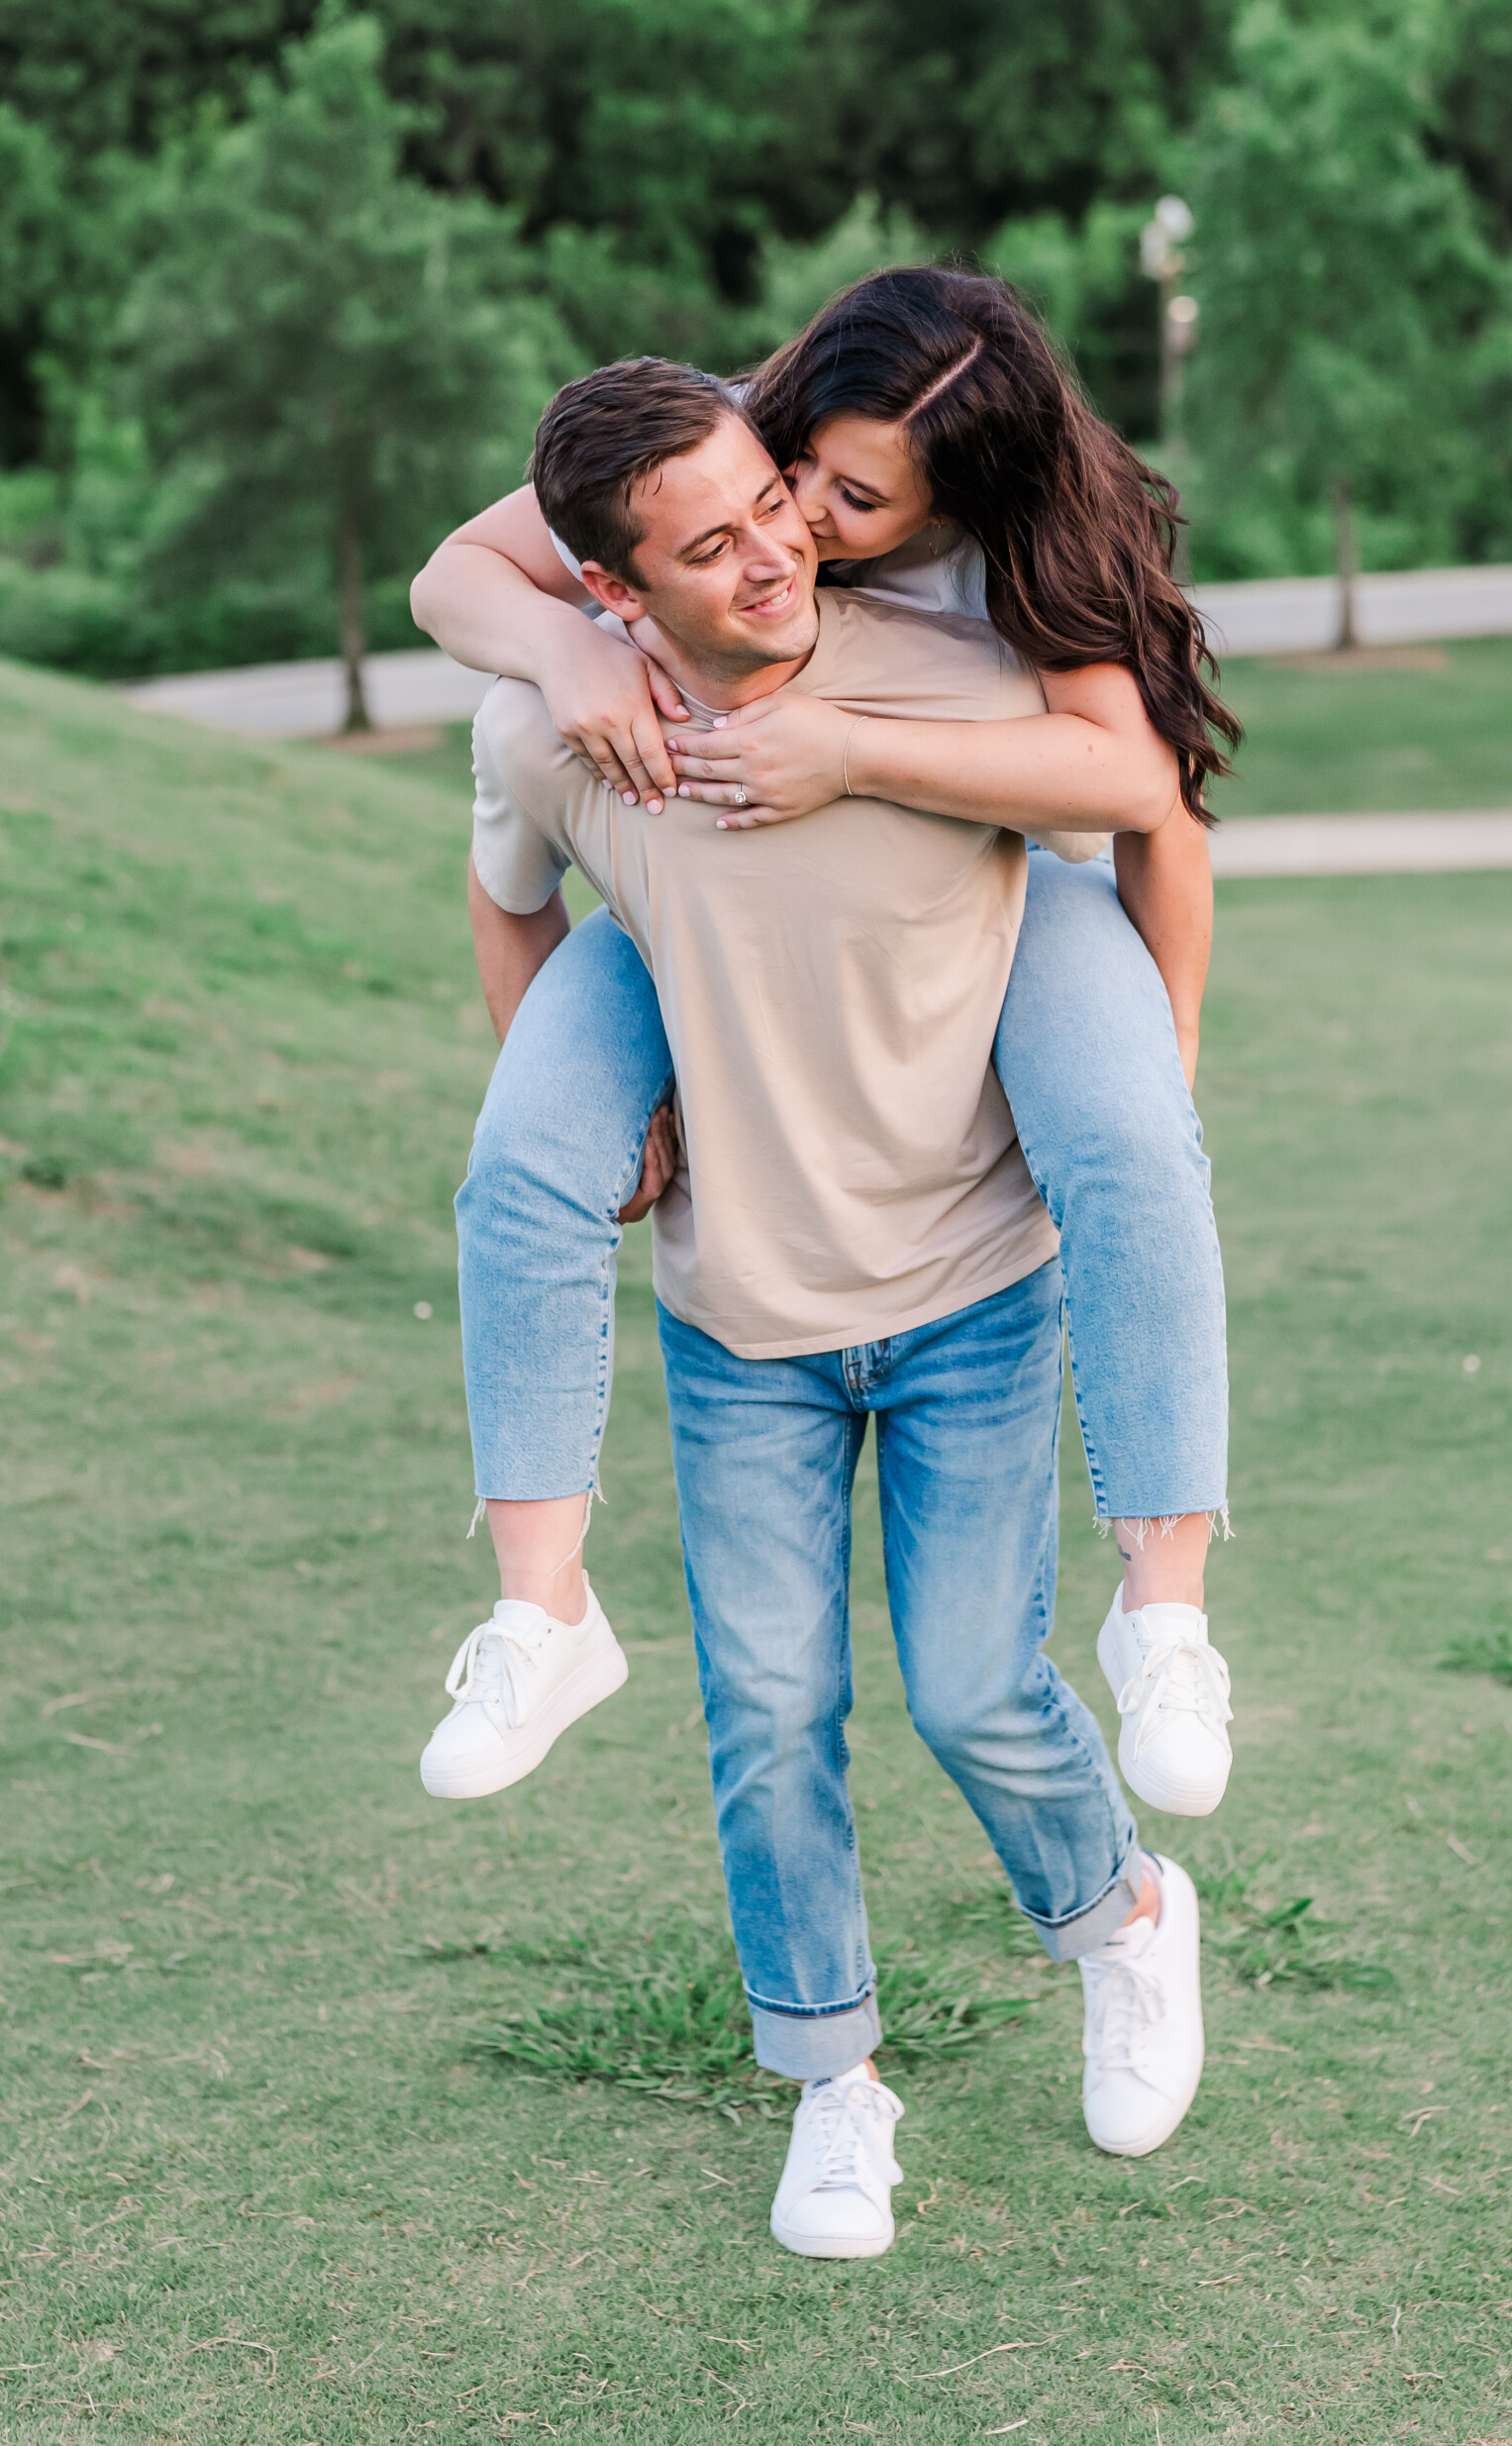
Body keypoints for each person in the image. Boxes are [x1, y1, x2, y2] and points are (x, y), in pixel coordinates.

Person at [441, 356, 1205, 2255]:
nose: (774, 549)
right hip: (743, 1318)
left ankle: (1124, 1920)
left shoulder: (959, 676)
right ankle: (830, 2086)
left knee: (973, 1688)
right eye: (711, 543)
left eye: (777, 505)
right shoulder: (571, 732)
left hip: (964, 1290)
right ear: (616, 592)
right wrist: (602, 1109)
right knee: (769, 1718)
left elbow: (1138, 793)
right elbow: (506, 890)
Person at [410, 267, 1236, 1828]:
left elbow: (1141, 788)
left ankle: (1165, 1616)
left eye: (854, 500)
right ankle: (540, 1611)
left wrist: (1164, 1056)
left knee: (1131, 1140)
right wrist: (567, 652)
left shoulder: (1032, 545)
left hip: (991, 871)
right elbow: (454, 579)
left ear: (956, 500)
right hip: (703, 885)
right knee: (516, 1162)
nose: (799, 513)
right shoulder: (727, 449)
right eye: (802, 461)